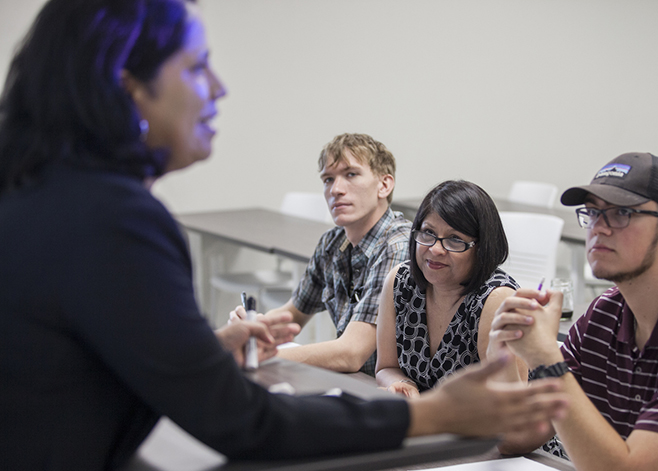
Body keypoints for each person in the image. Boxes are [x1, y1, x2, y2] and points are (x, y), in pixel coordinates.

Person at [0, 1, 569, 469]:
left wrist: (192, 355)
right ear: (130, 88)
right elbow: (244, 421)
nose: (218, 88)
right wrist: (437, 414)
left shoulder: (45, 198)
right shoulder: (114, 220)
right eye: (197, 67)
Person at [491, 152, 658, 470]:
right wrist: (504, 352)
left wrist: (547, 359)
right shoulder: (604, 313)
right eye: (593, 213)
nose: (599, 228)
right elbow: (516, 439)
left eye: (621, 213)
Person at [264, 133, 412, 376]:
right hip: (356, 382)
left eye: (351, 174)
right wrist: (251, 330)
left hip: (394, 391)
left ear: (384, 185)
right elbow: (292, 315)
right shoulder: (332, 242)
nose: (336, 189)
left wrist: (261, 355)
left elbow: (351, 354)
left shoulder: (397, 246)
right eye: (328, 179)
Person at [376, 180, 523, 397]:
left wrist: (431, 412)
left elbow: (509, 405)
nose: (435, 249)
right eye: (428, 232)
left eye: (454, 239)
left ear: (482, 248)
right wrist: (403, 384)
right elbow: (386, 367)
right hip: (425, 422)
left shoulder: (496, 300)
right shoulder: (401, 282)